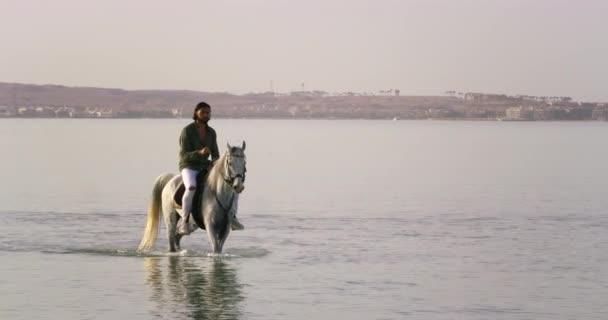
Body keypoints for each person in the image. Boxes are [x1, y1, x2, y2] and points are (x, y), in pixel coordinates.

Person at [178, 102, 244, 234]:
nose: (206, 115)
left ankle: (233, 218)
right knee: (191, 186)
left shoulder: (212, 132)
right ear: (196, 113)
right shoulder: (187, 131)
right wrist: (199, 153)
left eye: (208, 112)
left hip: (205, 167)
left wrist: (214, 164)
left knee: (233, 187)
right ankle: (184, 222)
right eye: (203, 112)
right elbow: (183, 154)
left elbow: (216, 155)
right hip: (189, 166)